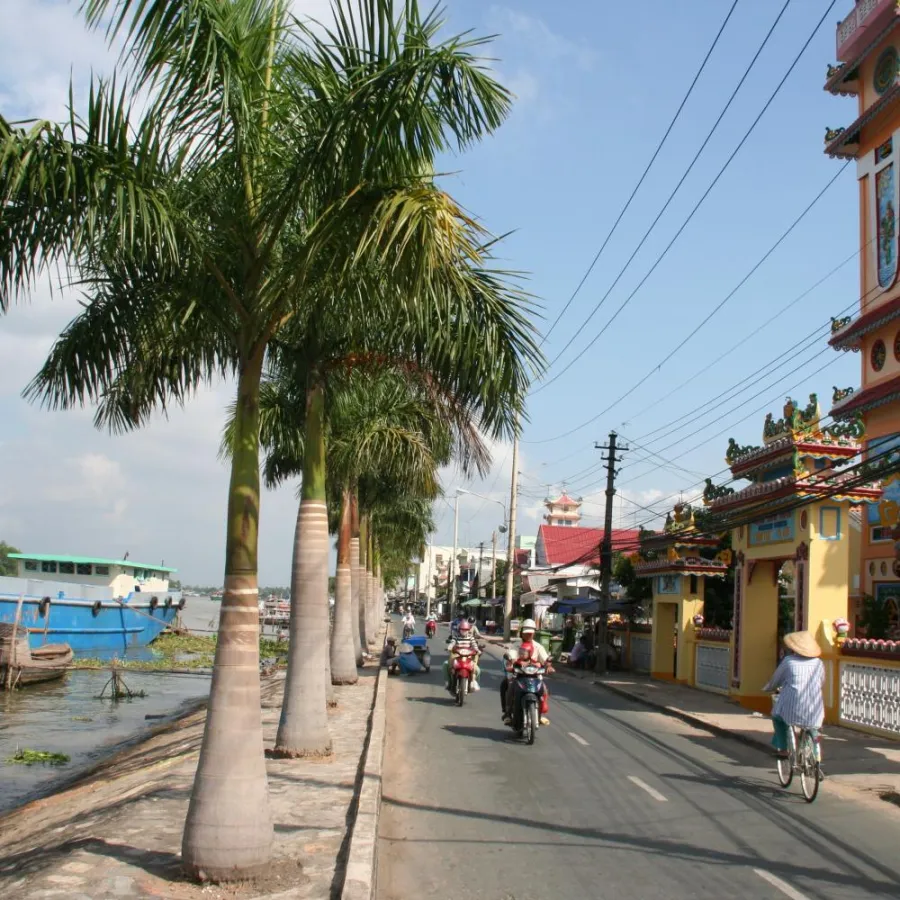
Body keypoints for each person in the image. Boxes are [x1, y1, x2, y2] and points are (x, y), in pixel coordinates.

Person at [762, 630, 825, 764]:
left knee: (777, 716)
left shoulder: (788, 661)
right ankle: (811, 753)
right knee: (812, 726)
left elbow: (776, 680)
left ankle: (784, 749)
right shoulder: (819, 663)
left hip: (792, 707)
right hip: (816, 709)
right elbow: (822, 681)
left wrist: (768, 688)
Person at [503, 618, 552, 726]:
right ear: (522, 633)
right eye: (526, 633)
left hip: (534, 675)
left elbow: (545, 658)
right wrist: (512, 661)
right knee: (508, 685)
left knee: (544, 689)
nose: (529, 635)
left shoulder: (538, 646)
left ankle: (539, 713)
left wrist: (548, 665)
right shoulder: (517, 644)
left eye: (531, 633)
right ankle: (507, 712)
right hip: (519, 674)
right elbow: (511, 654)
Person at [443, 619, 482, 691]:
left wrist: (477, 650)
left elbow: (474, 645)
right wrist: (449, 647)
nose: (464, 631)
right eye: (462, 630)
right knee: (445, 665)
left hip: (468, 655)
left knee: (478, 670)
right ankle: (448, 681)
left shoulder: (470, 637)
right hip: (457, 655)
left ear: (468, 630)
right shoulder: (456, 636)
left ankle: (473, 682)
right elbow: (452, 643)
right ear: (459, 629)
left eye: (465, 630)